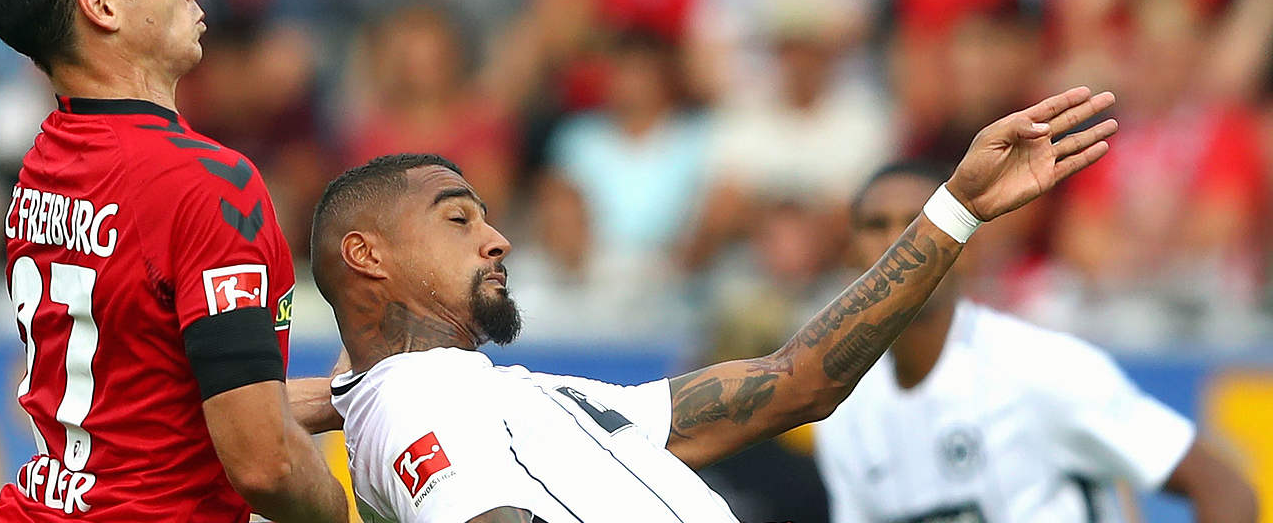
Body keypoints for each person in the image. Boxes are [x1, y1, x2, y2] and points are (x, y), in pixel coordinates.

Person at [310, 86, 1119, 522]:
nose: (498, 239)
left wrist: (956, 209)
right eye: (459, 219)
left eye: (487, 216)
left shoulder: (541, 399)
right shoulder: (410, 397)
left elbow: (799, 380)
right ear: (366, 256)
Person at [0, 0, 346, 523]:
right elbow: (265, 463)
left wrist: (352, 393)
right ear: (102, 4)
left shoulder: (47, 161)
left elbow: (166, 405)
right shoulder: (207, 187)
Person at [817, 161, 1259, 523]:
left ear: (965, 246)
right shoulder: (841, 408)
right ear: (850, 251)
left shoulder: (1039, 367)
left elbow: (1226, 492)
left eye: (919, 223)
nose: (900, 243)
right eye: (876, 225)